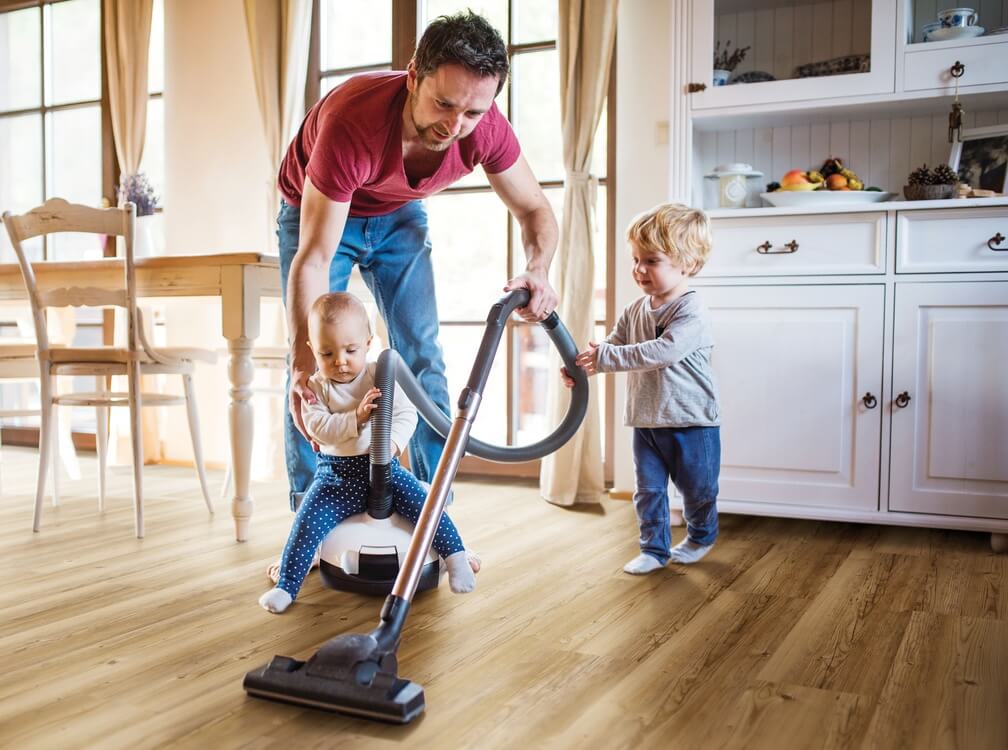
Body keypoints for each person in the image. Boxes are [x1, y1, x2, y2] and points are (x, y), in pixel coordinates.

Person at [277, 10, 559, 506]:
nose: (455, 126)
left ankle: (434, 510)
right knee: (312, 365)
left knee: (423, 357)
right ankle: (311, 511)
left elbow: (535, 209)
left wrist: (538, 269)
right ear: (413, 77)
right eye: (443, 104)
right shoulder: (352, 121)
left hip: (399, 214)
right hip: (318, 215)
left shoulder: (485, 128)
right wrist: (302, 360)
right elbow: (315, 257)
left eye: (472, 113)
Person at [260, 293, 479, 613]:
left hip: (385, 471)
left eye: (351, 350)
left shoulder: (381, 373)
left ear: (368, 342)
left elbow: (407, 414)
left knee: (426, 506)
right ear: (312, 350)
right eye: (326, 352)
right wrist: (356, 418)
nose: (340, 361)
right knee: (306, 522)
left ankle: (456, 558)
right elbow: (318, 428)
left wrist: (391, 444)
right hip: (335, 476)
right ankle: (287, 587)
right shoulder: (316, 387)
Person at [563, 203, 721, 575]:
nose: (639, 269)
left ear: (688, 263)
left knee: (697, 491)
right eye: (636, 259)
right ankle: (653, 548)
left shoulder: (691, 310)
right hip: (646, 420)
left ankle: (701, 536)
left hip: (691, 422)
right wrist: (584, 366)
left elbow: (664, 351)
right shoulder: (635, 309)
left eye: (651, 261)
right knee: (648, 491)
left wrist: (606, 358)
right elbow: (614, 347)